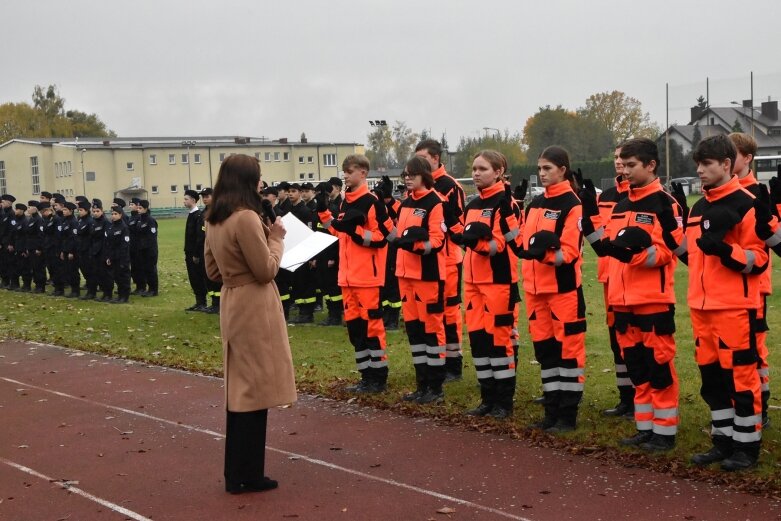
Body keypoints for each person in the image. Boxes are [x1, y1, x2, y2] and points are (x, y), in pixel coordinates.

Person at [580, 138, 683, 451]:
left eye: (631, 165)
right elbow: (609, 248)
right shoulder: (622, 204)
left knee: (659, 367)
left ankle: (664, 433)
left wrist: (635, 254)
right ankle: (644, 426)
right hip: (622, 300)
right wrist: (590, 224)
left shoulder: (665, 204)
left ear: (650, 165)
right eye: (621, 165)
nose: (623, 171)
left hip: (653, 300)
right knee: (636, 367)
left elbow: (670, 251)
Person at [203, 154, 296, 494]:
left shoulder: (215, 218)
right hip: (255, 303)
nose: (262, 183)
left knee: (242, 388)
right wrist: (276, 238)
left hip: (232, 299)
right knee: (255, 391)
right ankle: (249, 473)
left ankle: (236, 472)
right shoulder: (245, 218)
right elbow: (266, 269)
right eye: (258, 177)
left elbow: (212, 271)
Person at [684, 135, 767, 471]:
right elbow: (693, 256)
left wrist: (726, 251)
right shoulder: (698, 207)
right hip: (701, 307)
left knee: (742, 378)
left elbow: (759, 259)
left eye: (707, 164)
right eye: (698, 165)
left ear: (727, 164)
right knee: (712, 379)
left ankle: (747, 447)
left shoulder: (747, 203)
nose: (700, 171)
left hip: (734, 307)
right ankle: (722, 440)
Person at [317, 154, 395, 393]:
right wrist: (324, 214)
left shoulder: (373, 202)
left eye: (349, 171)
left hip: (367, 278)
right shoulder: (344, 202)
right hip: (347, 277)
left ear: (363, 172)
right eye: (344, 172)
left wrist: (359, 231)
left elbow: (384, 237)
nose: (345, 176)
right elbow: (340, 234)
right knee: (355, 329)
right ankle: (365, 376)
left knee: (372, 327)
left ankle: (378, 378)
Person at [521, 146, 586, 432]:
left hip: (563, 291)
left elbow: (569, 253)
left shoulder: (573, 204)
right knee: (546, 353)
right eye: (539, 168)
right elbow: (524, 244)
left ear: (563, 169)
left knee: (568, 353)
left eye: (547, 168)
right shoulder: (535, 203)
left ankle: (567, 416)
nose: (542, 173)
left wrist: (543, 254)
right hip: (535, 291)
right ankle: (551, 409)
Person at [459, 150, 520, 419]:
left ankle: (503, 402)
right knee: (479, 342)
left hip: (498, 281)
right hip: (472, 282)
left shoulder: (506, 203)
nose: (476, 173)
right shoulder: (472, 205)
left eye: (482, 169)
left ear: (498, 171)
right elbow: (463, 235)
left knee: (500, 342)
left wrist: (478, 243)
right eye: (474, 169)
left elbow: (504, 244)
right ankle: (487, 398)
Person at [393, 156, 447, 404]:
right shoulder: (404, 205)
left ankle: (435, 387)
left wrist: (414, 245)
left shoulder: (435, 202)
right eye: (405, 174)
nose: (407, 178)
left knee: (431, 330)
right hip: (406, 276)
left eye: (412, 174)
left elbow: (437, 241)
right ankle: (421, 384)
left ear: (424, 176)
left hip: (427, 276)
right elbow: (398, 236)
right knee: (414, 332)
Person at [729, 132, 772, 429]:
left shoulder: (757, 194)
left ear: (747, 158)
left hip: (754, 285)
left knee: (754, 349)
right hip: (726, 288)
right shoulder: (719, 192)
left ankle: (761, 409)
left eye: (733, 154)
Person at [415, 139, 466, 381]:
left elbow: (459, 225)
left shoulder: (450, 186)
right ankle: (435, 360)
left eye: (424, 159)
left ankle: (453, 363)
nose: (420, 164)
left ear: (436, 158)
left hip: (448, 259)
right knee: (429, 313)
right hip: (425, 259)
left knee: (449, 311)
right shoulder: (416, 187)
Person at [593, 144, 635, 418]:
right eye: (616, 157)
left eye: (624, 158)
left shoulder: (643, 198)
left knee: (635, 339)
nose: (619, 162)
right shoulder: (606, 196)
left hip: (633, 276)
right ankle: (625, 398)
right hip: (610, 276)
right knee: (615, 338)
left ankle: (640, 398)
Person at [184, 189, 207, 312]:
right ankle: (198, 302)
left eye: (186, 199)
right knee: (193, 277)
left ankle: (202, 302)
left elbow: (200, 237)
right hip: (189, 252)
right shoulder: (191, 214)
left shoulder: (198, 216)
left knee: (198, 277)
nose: (184, 201)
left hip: (195, 254)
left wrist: (196, 254)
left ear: (193, 200)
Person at [200, 188, 221, 313]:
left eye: (207, 196)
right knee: (208, 277)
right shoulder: (203, 213)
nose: (204, 199)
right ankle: (213, 301)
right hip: (205, 248)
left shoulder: (218, 212)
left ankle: (218, 303)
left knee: (217, 277)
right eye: (203, 197)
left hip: (215, 249)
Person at [105, 206, 131, 303]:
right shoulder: (111, 226)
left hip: (122, 257)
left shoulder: (124, 227)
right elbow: (109, 243)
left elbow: (125, 245)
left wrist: (123, 259)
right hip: (113, 256)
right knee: (117, 277)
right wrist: (109, 256)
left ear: (120, 215)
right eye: (112, 214)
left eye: (116, 214)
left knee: (123, 277)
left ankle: (125, 296)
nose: (113, 216)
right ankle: (120, 295)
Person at [89, 199, 112, 301]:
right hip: (95, 251)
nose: (95, 213)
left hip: (103, 251)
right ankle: (104, 293)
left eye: (97, 211)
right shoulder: (93, 222)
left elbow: (107, 239)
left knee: (106, 274)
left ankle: (108, 294)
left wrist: (106, 254)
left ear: (102, 211)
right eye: (94, 211)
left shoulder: (106, 222)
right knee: (97, 273)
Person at [135, 200, 159, 297]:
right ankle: (149, 288)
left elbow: (152, 236)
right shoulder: (140, 220)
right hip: (142, 250)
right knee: (145, 270)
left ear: (145, 208)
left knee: (151, 270)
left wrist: (147, 248)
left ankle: (154, 290)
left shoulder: (150, 220)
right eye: (138, 208)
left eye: (140, 208)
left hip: (150, 250)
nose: (138, 210)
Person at [40, 202, 64, 296]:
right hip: (48, 247)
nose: (43, 213)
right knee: (51, 269)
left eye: (44, 211)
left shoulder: (56, 219)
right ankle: (56, 287)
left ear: (49, 210)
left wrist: (58, 250)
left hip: (54, 248)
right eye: (42, 212)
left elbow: (58, 236)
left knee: (57, 268)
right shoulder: (46, 219)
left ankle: (59, 288)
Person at [59, 202, 81, 298]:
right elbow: (63, 237)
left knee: (73, 271)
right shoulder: (64, 221)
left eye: (65, 210)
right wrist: (63, 251)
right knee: (67, 270)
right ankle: (72, 289)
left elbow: (74, 238)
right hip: (65, 248)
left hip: (72, 250)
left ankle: (76, 290)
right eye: (63, 209)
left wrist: (71, 251)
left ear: (71, 211)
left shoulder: (73, 222)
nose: (63, 211)